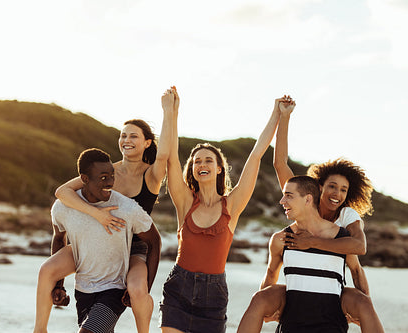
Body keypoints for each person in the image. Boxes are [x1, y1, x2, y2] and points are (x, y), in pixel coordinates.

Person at [33, 88, 176, 333]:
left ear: (147, 142)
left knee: (138, 290)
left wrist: (169, 112)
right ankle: (40, 329)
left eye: (133, 136)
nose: (126, 140)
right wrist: (97, 214)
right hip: (94, 243)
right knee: (47, 270)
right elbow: (63, 193)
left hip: (132, 248)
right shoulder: (107, 171)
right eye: (123, 135)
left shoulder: (150, 174)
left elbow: (165, 154)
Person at [237, 97, 384, 332]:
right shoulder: (302, 200)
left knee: (360, 300)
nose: (336, 194)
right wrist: (284, 117)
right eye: (332, 187)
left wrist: (365, 307)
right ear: (316, 190)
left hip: (332, 292)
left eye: (343, 190)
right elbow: (279, 163)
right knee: (265, 297)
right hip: (299, 291)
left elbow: (357, 257)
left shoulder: (345, 218)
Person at [159, 90, 283, 333]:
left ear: (218, 168)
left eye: (207, 160)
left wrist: (277, 113)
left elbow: (256, 155)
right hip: (179, 288)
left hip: (213, 296)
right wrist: (171, 112)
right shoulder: (185, 202)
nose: (201, 164)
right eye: (196, 161)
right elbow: (171, 158)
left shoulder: (232, 205)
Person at [47, 148, 159, 332]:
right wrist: (59, 286)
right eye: (103, 177)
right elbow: (59, 238)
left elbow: (154, 242)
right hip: (83, 290)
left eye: (112, 176)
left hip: (115, 289)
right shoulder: (65, 207)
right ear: (84, 179)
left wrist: (144, 290)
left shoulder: (126, 208)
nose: (110, 182)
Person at [269, 175, 351, 332]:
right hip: (291, 327)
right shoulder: (280, 239)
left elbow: (357, 272)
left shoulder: (341, 237)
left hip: (332, 328)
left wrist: (360, 308)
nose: (282, 201)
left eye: (288, 196)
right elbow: (271, 274)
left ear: (307, 200)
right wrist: (267, 307)